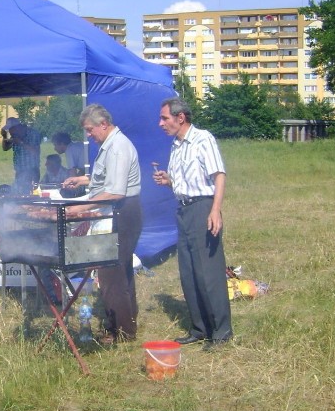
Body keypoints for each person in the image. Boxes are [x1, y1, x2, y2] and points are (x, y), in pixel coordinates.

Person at [153, 97, 233, 351]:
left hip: (202, 208)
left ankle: (221, 332)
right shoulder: (176, 146)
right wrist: (169, 180)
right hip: (184, 209)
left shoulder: (202, 139)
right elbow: (184, 182)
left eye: (164, 118)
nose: (160, 123)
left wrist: (215, 210)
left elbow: (218, 175)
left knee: (207, 272)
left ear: (181, 118)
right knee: (188, 271)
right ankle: (200, 328)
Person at [62, 104, 142, 343]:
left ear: (103, 125)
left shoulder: (118, 147)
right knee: (120, 271)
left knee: (110, 274)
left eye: (89, 130)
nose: (88, 135)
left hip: (122, 212)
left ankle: (121, 331)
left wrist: (79, 209)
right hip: (118, 211)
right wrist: (83, 180)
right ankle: (126, 324)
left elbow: (115, 192)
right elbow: (106, 179)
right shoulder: (109, 146)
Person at [1, 117, 41, 195]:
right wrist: (4, 137)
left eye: (10, 129)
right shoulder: (14, 136)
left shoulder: (33, 134)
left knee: (31, 195)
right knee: (19, 195)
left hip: (32, 171)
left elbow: (36, 152)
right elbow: (5, 148)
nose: (9, 131)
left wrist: (21, 143)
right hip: (19, 172)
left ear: (17, 127)